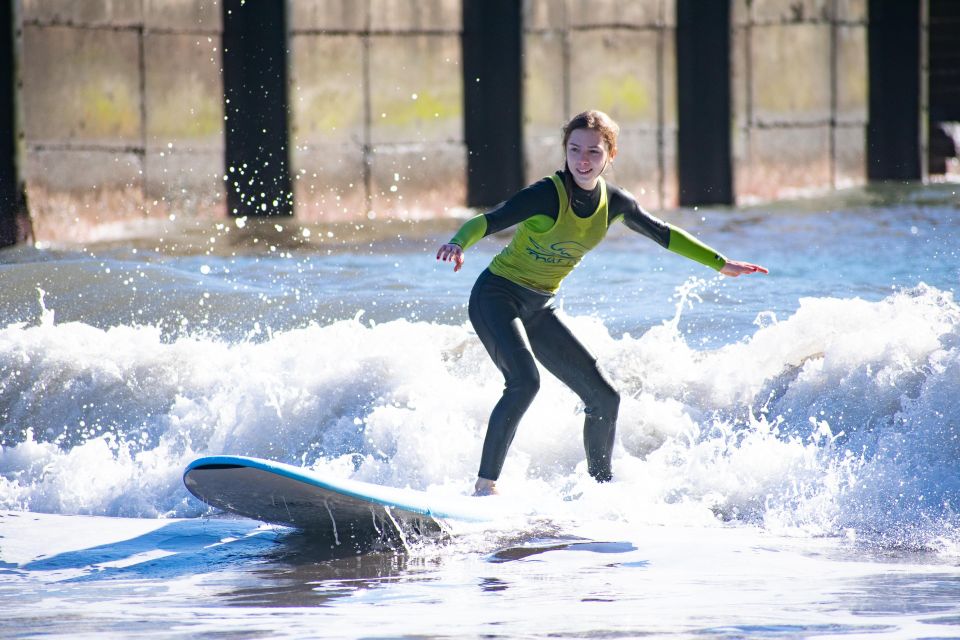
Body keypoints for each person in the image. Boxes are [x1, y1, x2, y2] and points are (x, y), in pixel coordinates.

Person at [437, 110, 767, 496]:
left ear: (611, 155)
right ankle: (484, 486)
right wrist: (458, 243)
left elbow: (663, 233)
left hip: (540, 307)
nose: (582, 159)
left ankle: (599, 491)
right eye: (574, 149)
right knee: (524, 383)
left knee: (604, 397)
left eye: (593, 152)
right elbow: (488, 221)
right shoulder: (546, 195)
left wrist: (720, 263)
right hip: (496, 296)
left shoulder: (616, 203)